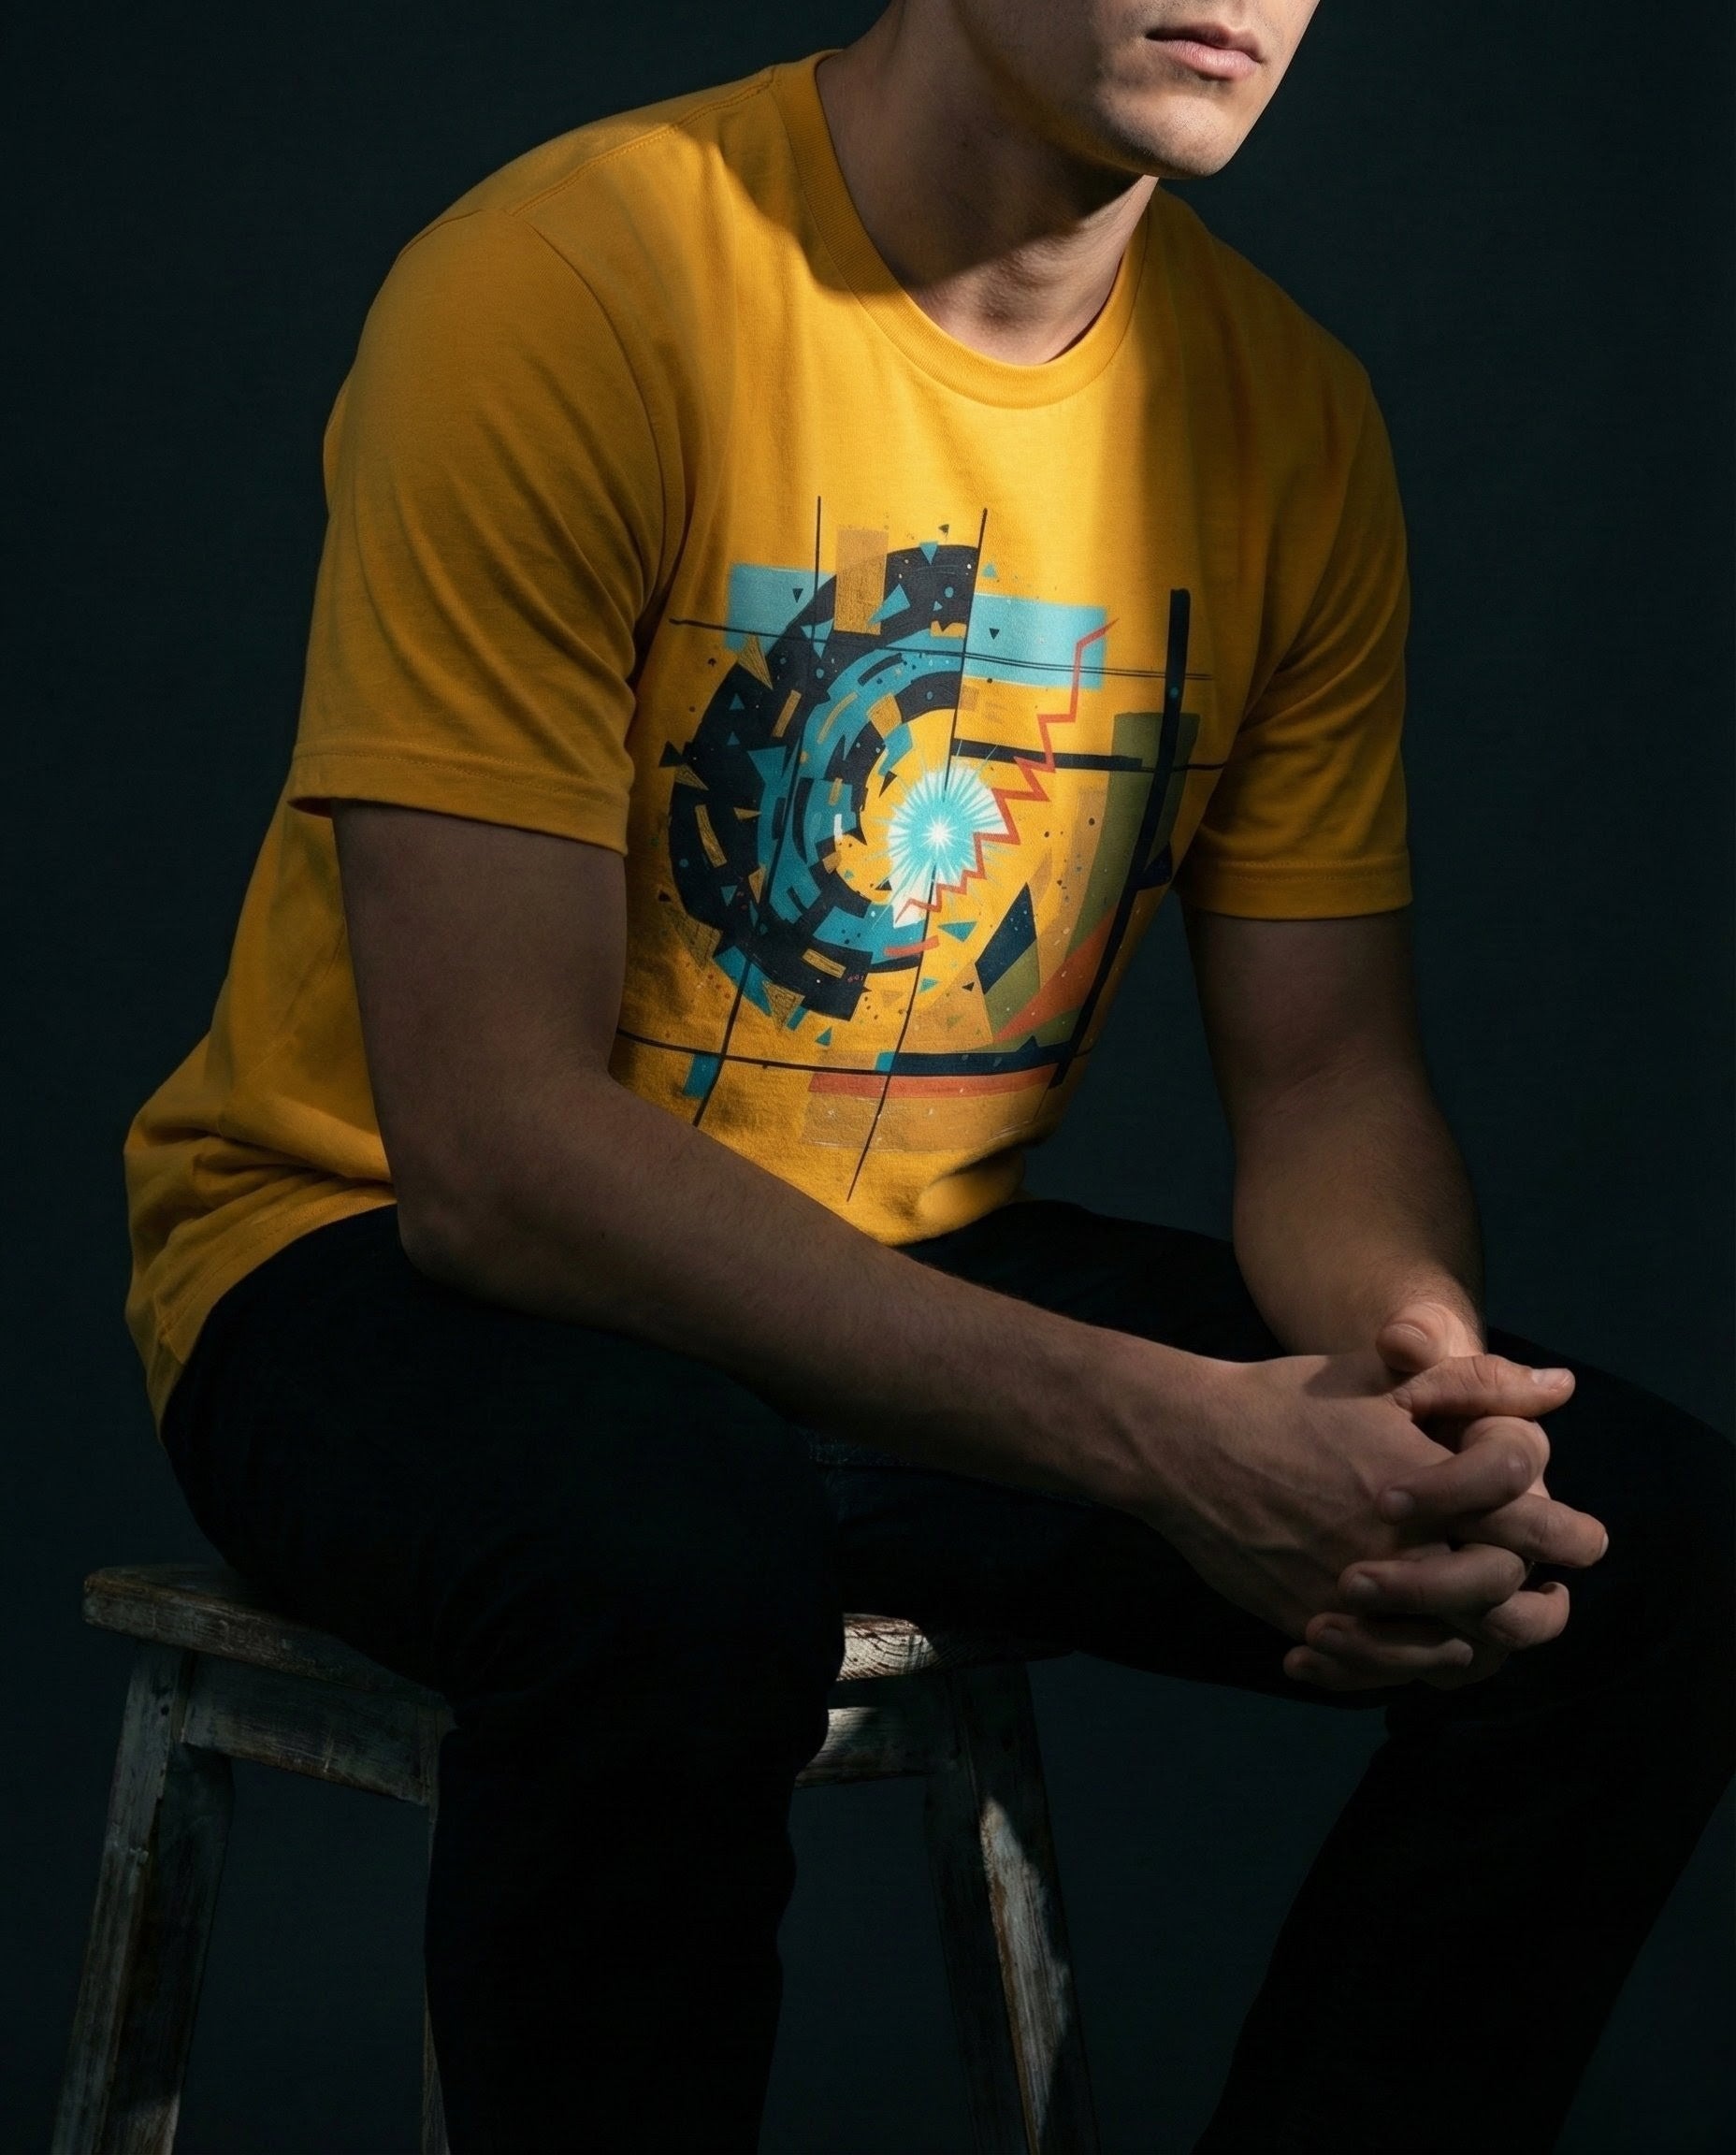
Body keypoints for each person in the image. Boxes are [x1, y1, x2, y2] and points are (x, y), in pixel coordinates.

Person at [123, 4, 1732, 2148]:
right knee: (667, 1567)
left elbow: (1329, 1084)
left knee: (1626, 1549)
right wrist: (1165, 1437)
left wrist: (1413, 1373)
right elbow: (492, 1154)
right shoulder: (572, 279)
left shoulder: (1284, 411)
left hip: (904, 1268)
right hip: (381, 1260)